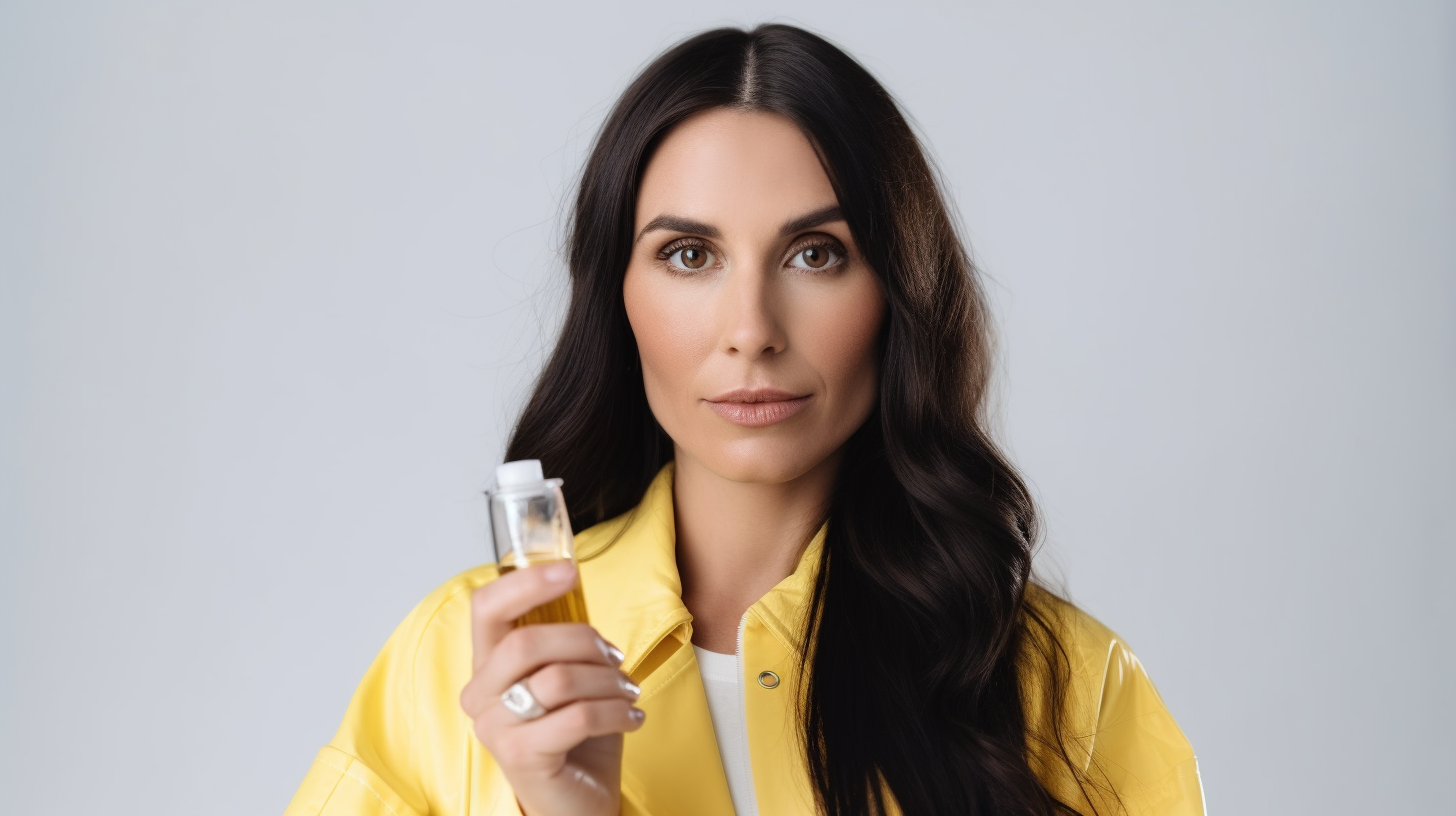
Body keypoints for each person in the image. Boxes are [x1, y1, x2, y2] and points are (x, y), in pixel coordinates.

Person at [284, 23, 1204, 816]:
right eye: (689, 255)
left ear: (898, 293)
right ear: (619, 296)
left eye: (815, 254)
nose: (752, 331)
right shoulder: (453, 663)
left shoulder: (1068, 690)